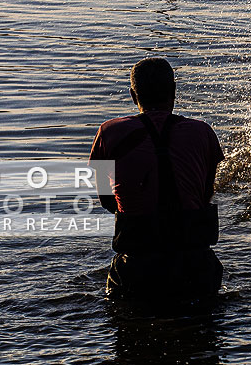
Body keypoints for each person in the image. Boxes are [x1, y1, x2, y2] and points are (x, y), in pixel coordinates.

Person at [90, 57, 224, 301]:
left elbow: (108, 202)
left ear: (133, 95)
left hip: (138, 268)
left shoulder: (109, 132)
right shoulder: (202, 132)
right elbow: (204, 196)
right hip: (195, 266)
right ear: (174, 91)